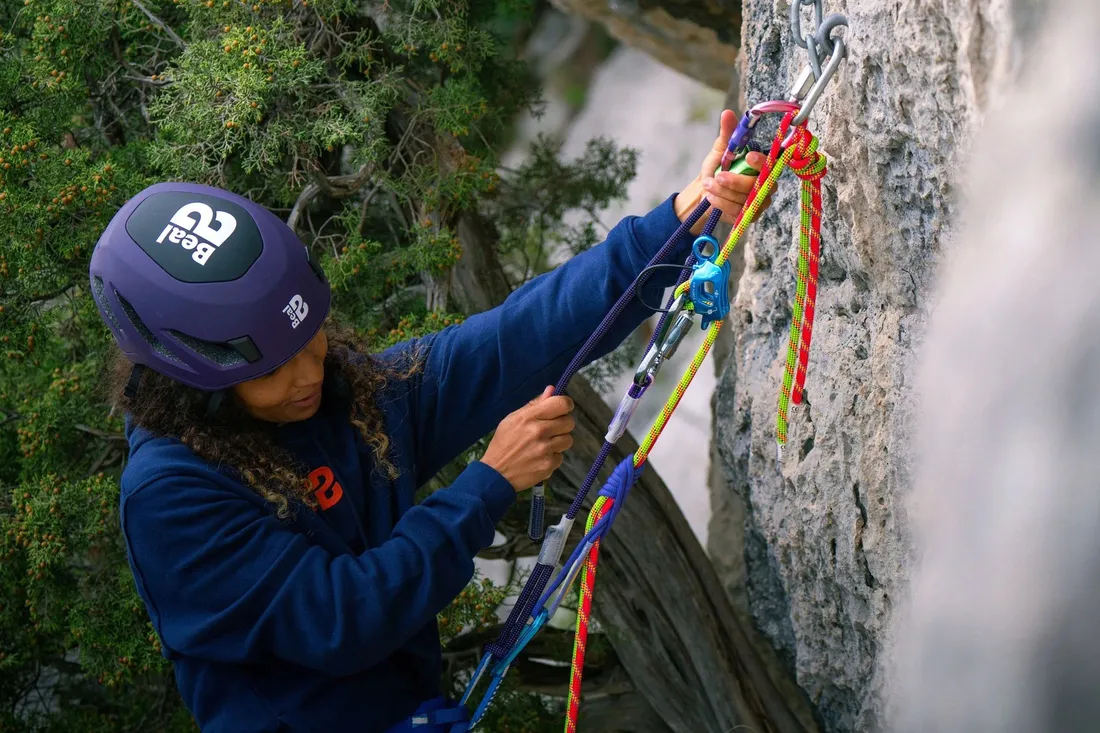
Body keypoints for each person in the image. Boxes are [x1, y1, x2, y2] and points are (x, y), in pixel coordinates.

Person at [89, 109, 771, 733]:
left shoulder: (343, 397)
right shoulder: (171, 498)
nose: (308, 374)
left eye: (312, 338)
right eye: (270, 369)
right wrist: (489, 482)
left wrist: (680, 220)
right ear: (192, 381)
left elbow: (517, 337)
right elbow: (343, 616)